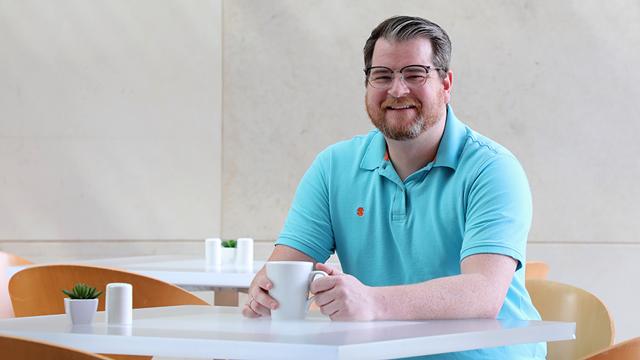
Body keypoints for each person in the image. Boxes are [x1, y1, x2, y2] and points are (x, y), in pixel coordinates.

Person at [242, 15, 545, 359]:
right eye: (382, 76)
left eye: (415, 74)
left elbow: (483, 294)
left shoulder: (492, 169)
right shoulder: (334, 167)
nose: (397, 90)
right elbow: (283, 268)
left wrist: (371, 302)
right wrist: (265, 290)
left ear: (446, 84)